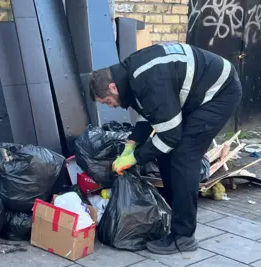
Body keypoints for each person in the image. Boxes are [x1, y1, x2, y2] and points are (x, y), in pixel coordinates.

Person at [89, 42, 242, 255]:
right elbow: (149, 113)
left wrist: (135, 159)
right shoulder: (131, 77)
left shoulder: (148, 80)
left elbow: (170, 136)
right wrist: (131, 144)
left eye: (107, 101)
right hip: (197, 93)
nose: (111, 106)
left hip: (219, 93)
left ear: (113, 87)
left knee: (183, 155)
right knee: (165, 154)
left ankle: (183, 237)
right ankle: (176, 215)